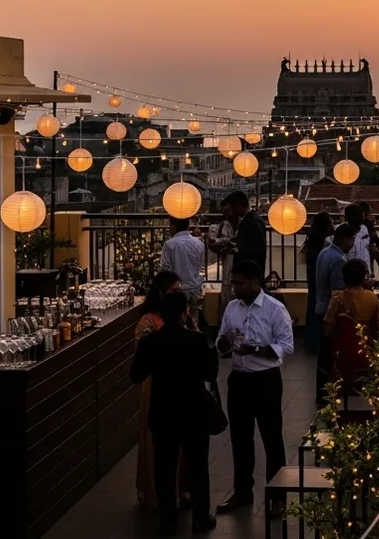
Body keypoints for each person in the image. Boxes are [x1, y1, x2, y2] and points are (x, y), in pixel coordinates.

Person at [130, 292, 219, 535]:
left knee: (165, 467)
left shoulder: (151, 343)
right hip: (193, 410)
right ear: (184, 312)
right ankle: (201, 517)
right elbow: (210, 373)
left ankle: (168, 519)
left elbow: (135, 375)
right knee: (198, 465)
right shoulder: (196, 341)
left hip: (163, 411)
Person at [216, 259, 295, 516]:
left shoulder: (275, 309)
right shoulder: (231, 308)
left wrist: (257, 349)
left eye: (239, 284)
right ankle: (242, 491)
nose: (235, 288)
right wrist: (225, 344)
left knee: (271, 437)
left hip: (266, 381)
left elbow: (286, 345)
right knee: (240, 438)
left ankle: (277, 495)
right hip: (239, 380)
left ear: (254, 282)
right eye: (233, 283)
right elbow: (220, 338)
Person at [135, 273, 195, 511]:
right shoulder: (147, 322)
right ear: (161, 294)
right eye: (174, 291)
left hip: (182, 384)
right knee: (157, 442)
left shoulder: (185, 318)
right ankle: (156, 492)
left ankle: (183, 489)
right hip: (156, 386)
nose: (179, 295)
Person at [313, 223, 357, 409]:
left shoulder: (325, 253)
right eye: (353, 239)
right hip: (329, 312)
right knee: (331, 356)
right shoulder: (338, 259)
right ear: (346, 239)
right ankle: (328, 394)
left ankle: (322, 394)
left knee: (323, 355)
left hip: (319, 307)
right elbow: (338, 293)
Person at [323, 259, 379, 392]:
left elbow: (328, 326)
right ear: (363, 278)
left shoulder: (337, 298)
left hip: (343, 349)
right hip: (366, 348)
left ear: (344, 277)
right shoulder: (372, 298)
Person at [159, 217, 207, 326]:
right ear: (188, 226)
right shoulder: (199, 244)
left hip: (177, 290)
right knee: (194, 320)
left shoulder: (170, 244)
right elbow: (201, 267)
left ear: (173, 227)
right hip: (195, 287)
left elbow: (165, 269)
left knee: (177, 321)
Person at [300, 212, 336, 353]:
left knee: (312, 308)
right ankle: (317, 342)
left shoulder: (313, 240)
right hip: (320, 278)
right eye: (332, 222)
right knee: (320, 309)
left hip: (313, 277)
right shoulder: (326, 242)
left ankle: (311, 342)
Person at [206, 199, 238, 310]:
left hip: (237, 262)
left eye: (227, 210)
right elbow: (215, 243)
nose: (225, 213)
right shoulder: (224, 225)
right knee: (227, 288)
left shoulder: (241, 224)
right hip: (228, 263)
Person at [227, 191, 267, 276]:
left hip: (249, 274)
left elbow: (254, 251)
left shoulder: (252, 222)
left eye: (232, 207)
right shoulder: (252, 220)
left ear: (239, 206)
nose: (232, 211)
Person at [344, 204, 371, 270]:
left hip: (365, 268)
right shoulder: (342, 231)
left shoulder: (364, 229)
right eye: (360, 217)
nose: (363, 219)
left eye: (363, 217)